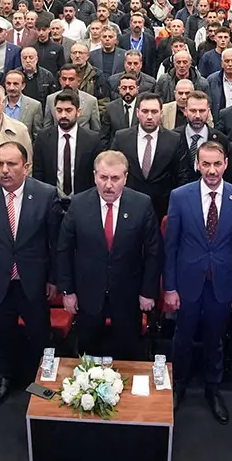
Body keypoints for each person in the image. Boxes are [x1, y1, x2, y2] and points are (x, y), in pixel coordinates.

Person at [0, 142, 62, 407]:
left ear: (26, 167)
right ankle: (6, 377)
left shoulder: (45, 195)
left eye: (12, 164)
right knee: (3, 334)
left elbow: (55, 243)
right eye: (0, 164)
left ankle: (43, 382)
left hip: (34, 281)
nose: (5, 170)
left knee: (40, 335)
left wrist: (54, 279)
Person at [163, 141, 232, 424]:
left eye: (217, 164)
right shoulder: (180, 196)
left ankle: (213, 389)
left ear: (226, 164)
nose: (212, 170)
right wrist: (170, 287)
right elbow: (171, 246)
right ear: (197, 165)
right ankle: (178, 386)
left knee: (215, 339)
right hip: (187, 282)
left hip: (222, 283)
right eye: (206, 164)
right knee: (182, 337)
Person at [57, 151, 162, 360]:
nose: (108, 185)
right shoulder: (78, 204)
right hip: (88, 295)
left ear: (126, 177)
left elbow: (154, 251)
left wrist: (148, 292)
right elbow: (63, 249)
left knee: (129, 355)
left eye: (115, 178)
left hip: (128, 295)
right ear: (94, 176)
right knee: (88, 356)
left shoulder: (142, 204)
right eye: (103, 177)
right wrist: (68, 291)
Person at [114, 92, 186, 219]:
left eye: (154, 112)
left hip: (162, 209)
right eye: (145, 111)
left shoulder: (174, 139)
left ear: (161, 113)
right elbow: (113, 170)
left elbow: (181, 175)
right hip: (127, 206)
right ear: (137, 113)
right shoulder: (122, 138)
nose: (149, 116)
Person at [33, 90, 99, 203]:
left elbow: (94, 175)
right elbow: (38, 173)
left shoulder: (92, 140)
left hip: (83, 201)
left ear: (78, 112)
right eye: (59, 110)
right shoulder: (43, 138)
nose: (63, 115)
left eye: (68, 110)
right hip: (51, 201)